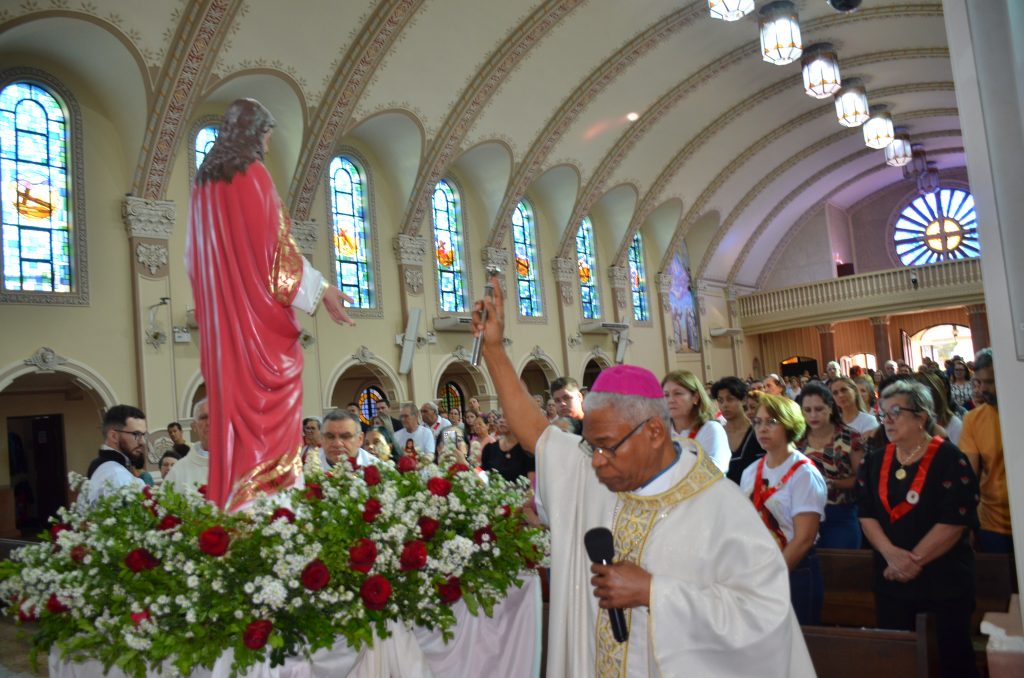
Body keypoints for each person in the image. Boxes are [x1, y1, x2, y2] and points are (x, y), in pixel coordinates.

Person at [471, 275, 814, 677]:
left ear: (653, 432)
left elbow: (764, 615)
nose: (596, 460)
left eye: (607, 446)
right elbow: (537, 434)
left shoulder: (719, 506)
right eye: (591, 447)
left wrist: (654, 592)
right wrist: (493, 350)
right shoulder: (597, 475)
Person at [186, 98, 355, 511]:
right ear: (253, 132)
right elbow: (276, 257)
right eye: (267, 135)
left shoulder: (204, 184)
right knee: (268, 405)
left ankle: (236, 499)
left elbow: (195, 259)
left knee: (234, 409)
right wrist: (321, 291)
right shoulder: (252, 174)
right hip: (258, 325)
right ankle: (267, 502)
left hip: (224, 325)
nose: (268, 145)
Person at [857, 380, 979, 678]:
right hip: (891, 582)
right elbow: (866, 514)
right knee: (899, 662)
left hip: (943, 582)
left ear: (921, 416)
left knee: (951, 661)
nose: (887, 420)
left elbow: (954, 521)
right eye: (883, 413)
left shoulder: (950, 459)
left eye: (895, 412)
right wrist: (891, 555)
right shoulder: (874, 461)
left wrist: (912, 561)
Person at [741, 393, 827, 625]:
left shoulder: (804, 473)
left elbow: (804, 538)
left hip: (795, 569)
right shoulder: (750, 471)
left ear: (789, 425)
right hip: (758, 567)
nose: (762, 429)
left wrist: (771, 577)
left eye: (771, 422)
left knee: (799, 645)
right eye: (757, 422)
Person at [796, 382, 864, 549]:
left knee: (841, 568)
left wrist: (833, 483)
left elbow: (861, 479)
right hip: (806, 514)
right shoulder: (798, 439)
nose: (813, 415)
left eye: (819, 409)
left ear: (831, 408)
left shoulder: (851, 437)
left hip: (841, 513)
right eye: (807, 410)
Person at [959, 348, 1012, 554]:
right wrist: (969, 523)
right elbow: (969, 477)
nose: (982, 390)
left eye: (989, 382)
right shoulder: (973, 419)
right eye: (979, 382)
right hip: (993, 522)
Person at [661, 370, 730, 473]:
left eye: (677, 393)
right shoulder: (661, 433)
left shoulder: (710, 429)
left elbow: (714, 472)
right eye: (666, 395)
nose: (670, 400)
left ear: (695, 397)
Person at [86, 405, 147, 505]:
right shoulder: (116, 475)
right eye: (136, 434)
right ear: (114, 436)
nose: (143, 442)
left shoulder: (99, 465)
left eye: (144, 435)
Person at [710, 376, 765, 483]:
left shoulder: (758, 432)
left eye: (730, 399)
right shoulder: (716, 435)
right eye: (720, 401)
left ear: (743, 400)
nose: (724, 405)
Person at [164, 399, 211, 494]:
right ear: (194, 426)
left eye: (215, 415)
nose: (209, 422)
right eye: (203, 417)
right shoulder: (178, 470)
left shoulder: (240, 463)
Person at [480, 414, 535, 483]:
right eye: (501, 417)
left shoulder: (527, 450)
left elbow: (532, 485)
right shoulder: (489, 448)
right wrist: (474, 468)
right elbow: (482, 474)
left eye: (506, 417)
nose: (501, 421)